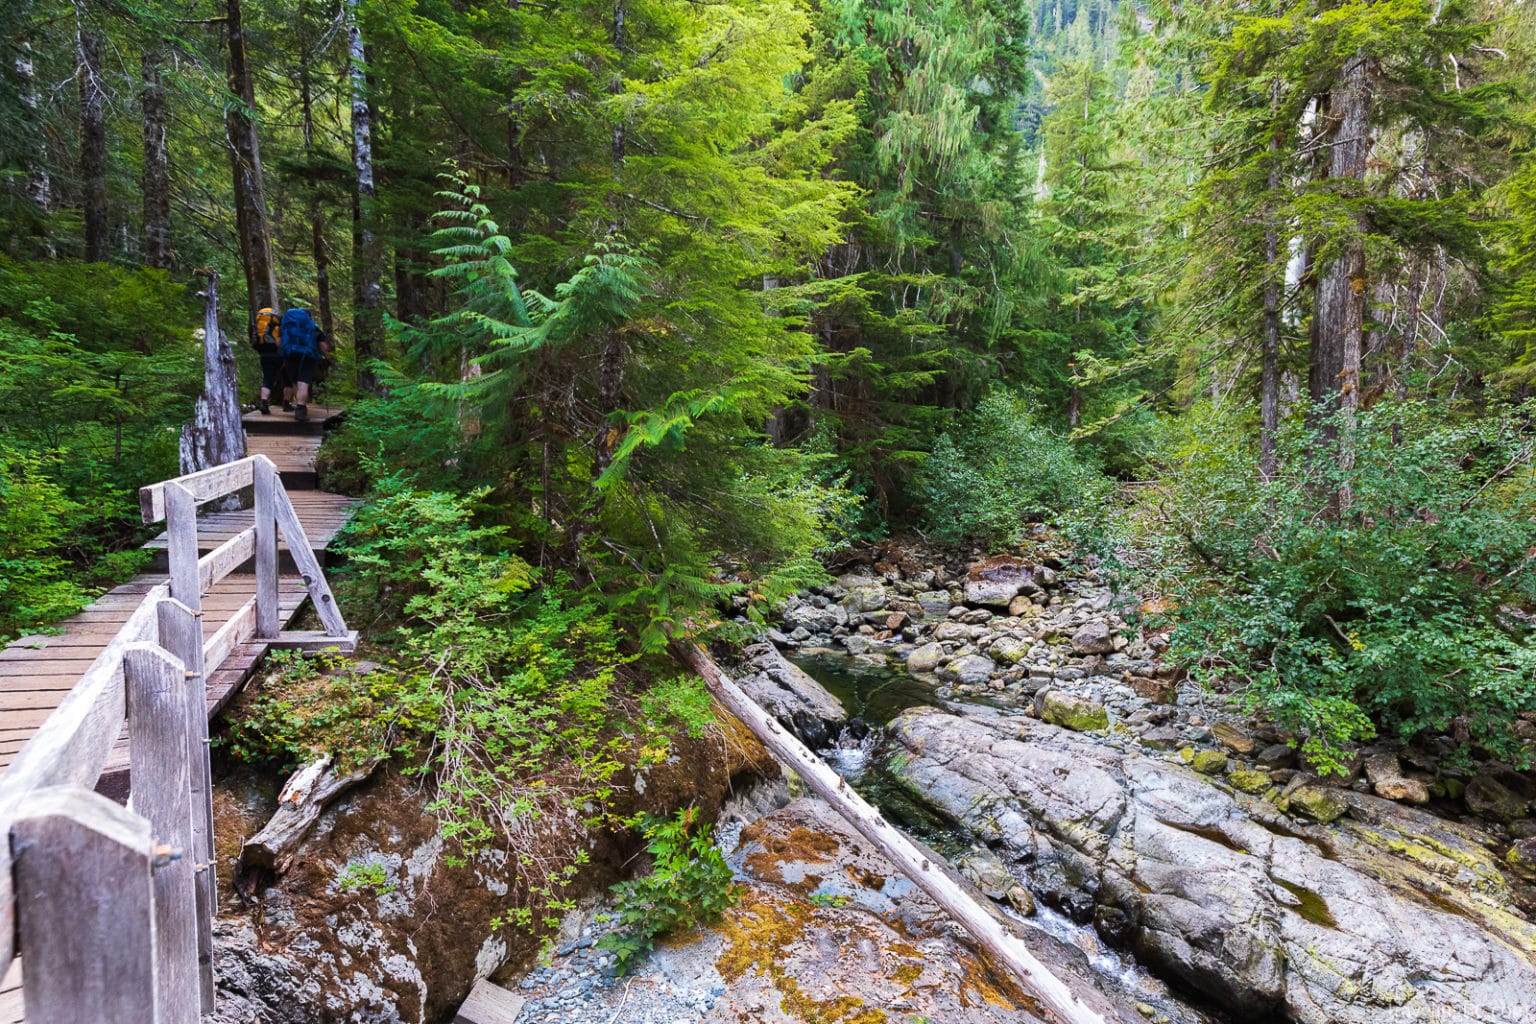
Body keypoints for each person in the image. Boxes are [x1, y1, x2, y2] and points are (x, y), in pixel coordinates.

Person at [278, 307, 329, 422]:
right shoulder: (312, 327)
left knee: (295, 381)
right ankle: (301, 408)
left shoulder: (286, 327)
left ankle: (299, 407)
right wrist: (325, 356)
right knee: (303, 382)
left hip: (289, 356)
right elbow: (323, 346)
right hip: (307, 356)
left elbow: (278, 342)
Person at [252, 306, 287, 415]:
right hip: (278, 353)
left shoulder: (259, 322)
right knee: (287, 377)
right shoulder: (278, 324)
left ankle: (264, 402)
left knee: (267, 379)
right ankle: (287, 403)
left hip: (264, 353)